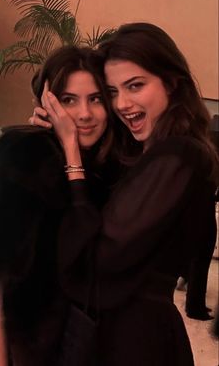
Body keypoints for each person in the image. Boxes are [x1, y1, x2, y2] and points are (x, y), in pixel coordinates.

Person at [38, 23, 218, 366]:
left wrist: (72, 155)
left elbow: (97, 260)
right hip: (118, 331)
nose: (123, 103)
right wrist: (57, 141)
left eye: (135, 86)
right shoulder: (147, 153)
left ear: (171, 80)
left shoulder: (179, 155)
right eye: (112, 91)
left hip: (136, 340)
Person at [0, 46, 117, 366]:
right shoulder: (23, 152)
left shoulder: (102, 170)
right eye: (69, 100)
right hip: (24, 347)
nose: (84, 114)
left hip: (77, 346)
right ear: (48, 103)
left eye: (96, 99)